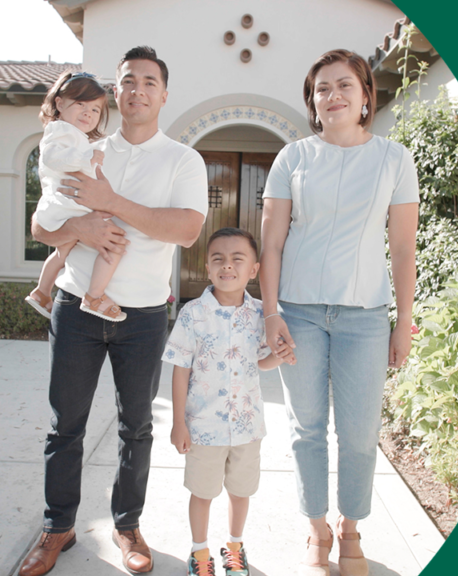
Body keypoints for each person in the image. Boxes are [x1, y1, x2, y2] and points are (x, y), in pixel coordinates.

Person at [19, 46, 208, 576]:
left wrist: (111, 201)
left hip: (144, 316)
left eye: (149, 81)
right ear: (116, 92)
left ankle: (128, 527)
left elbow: (186, 230)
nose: (137, 89)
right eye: (128, 80)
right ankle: (58, 526)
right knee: (66, 427)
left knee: (137, 426)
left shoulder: (183, 159)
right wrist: (80, 227)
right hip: (78, 306)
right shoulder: (82, 145)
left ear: (163, 95)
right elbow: (42, 226)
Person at [260, 48, 419, 576]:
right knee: (306, 428)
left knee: (357, 431)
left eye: (344, 85)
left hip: (365, 318)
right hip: (299, 313)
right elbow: (273, 245)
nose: (333, 95)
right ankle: (316, 527)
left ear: (366, 96)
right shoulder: (293, 158)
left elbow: (402, 248)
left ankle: (352, 528)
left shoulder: (394, 159)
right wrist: (271, 313)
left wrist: (402, 321)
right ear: (312, 100)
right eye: (322, 87)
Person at [162, 227, 296, 576]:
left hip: (247, 427)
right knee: (203, 493)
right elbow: (180, 369)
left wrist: (280, 356)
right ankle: (200, 552)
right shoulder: (194, 314)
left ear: (254, 270)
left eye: (238, 259)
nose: (227, 266)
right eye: (218, 259)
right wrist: (179, 423)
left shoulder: (260, 315)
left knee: (241, 492)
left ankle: (235, 547)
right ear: (207, 267)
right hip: (203, 427)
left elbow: (261, 362)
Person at [25, 70, 128, 321]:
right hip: (68, 204)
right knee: (115, 244)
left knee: (63, 252)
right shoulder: (61, 131)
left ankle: (41, 292)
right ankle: (94, 296)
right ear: (59, 104)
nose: (87, 113)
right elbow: (51, 157)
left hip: (65, 203)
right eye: (80, 104)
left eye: (95, 109)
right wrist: (86, 158)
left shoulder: (74, 135)